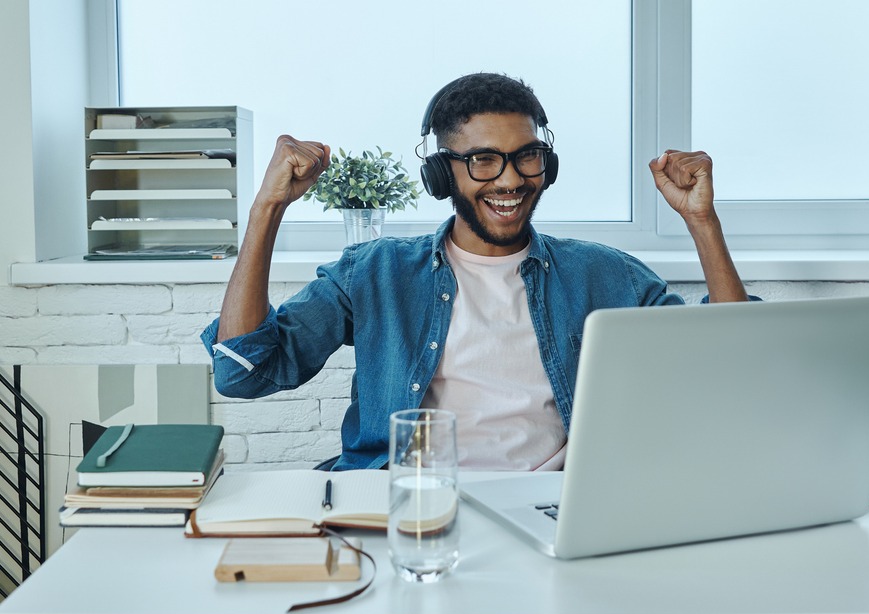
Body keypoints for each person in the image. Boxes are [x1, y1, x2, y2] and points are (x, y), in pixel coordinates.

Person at [201, 72, 751, 471]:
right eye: (482, 160)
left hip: (553, 503)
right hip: (406, 504)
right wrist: (266, 208)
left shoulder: (603, 274)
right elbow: (243, 372)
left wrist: (701, 222)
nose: (509, 179)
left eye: (526, 156)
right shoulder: (376, 272)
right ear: (442, 175)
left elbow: (728, 365)